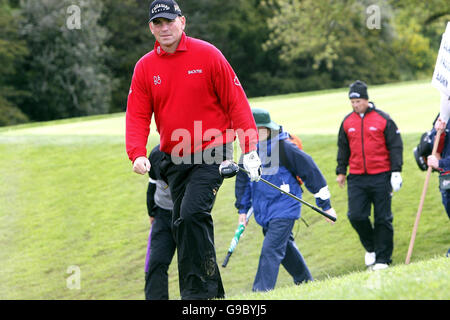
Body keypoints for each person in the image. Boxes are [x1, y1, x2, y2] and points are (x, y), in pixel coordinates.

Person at [125, 0, 261, 299]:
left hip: (213, 151)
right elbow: (136, 115)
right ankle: (213, 294)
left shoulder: (208, 55)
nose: (164, 28)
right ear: (151, 28)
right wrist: (136, 152)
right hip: (174, 159)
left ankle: (195, 297)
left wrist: (249, 149)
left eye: (169, 21)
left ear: (182, 22)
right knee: (186, 224)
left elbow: (236, 102)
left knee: (188, 217)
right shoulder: (145, 67)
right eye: (157, 23)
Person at [235, 108, 337, 292]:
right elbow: (243, 181)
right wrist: (242, 210)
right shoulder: (248, 151)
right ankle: (306, 282)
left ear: (267, 129)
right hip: (263, 209)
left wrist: (326, 206)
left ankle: (260, 293)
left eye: (258, 129)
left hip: (285, 206)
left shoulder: (284, 147)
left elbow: (311, 172)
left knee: (271, 249)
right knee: (284, 246)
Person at [336, 80, 403, 270]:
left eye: (358, 101)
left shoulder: (383, 119)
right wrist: (341, 171)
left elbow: (395, 146)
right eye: (352, 102)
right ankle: (371, 248)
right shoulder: (347, 122)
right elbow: (343, 148)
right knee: (355, 215)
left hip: (381, 175)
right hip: (357, 177)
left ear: (366, 99)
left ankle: (383, 259)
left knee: (383, 218)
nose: (355, 105)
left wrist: (396, 171)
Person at [144, 145, 176, 300]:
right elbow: (152, 185)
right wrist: (152, 212)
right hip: (162, 215)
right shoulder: (156, 155)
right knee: (155, 263)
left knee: (194, 262)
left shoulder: (194, 153)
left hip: (187, 216)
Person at [426, 119, 450, 257]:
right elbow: (433, 146)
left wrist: (441, 162)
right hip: (446, 176)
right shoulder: (444, 115)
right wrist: (437, 133)